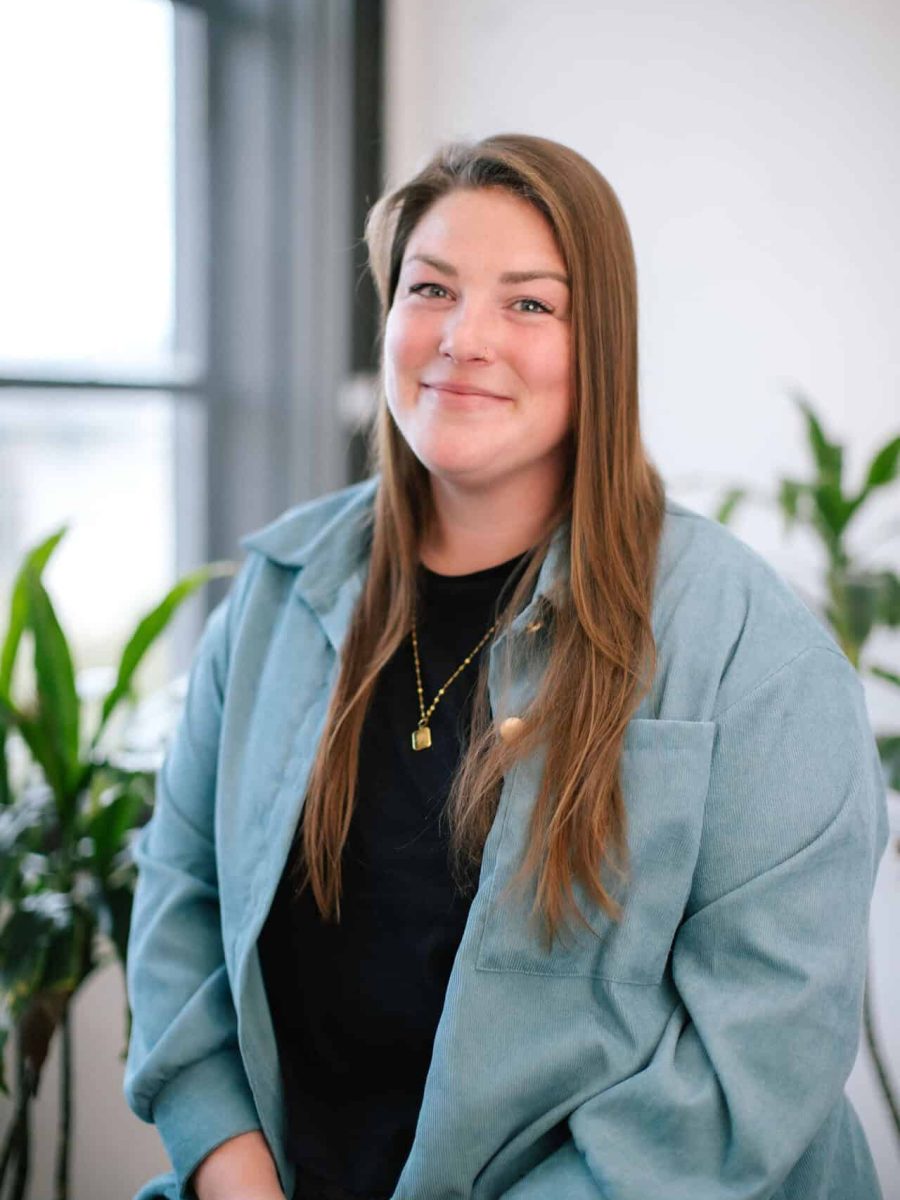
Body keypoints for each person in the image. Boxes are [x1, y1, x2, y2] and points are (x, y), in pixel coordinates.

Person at [123, 133, 888, 1200]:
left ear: (602, 345)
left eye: (529, 303)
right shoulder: (276, 595)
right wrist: (231, 1169)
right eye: (431, 289)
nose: (464, 339)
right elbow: (182, 902)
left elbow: (757, 1055)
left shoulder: (757, 652)